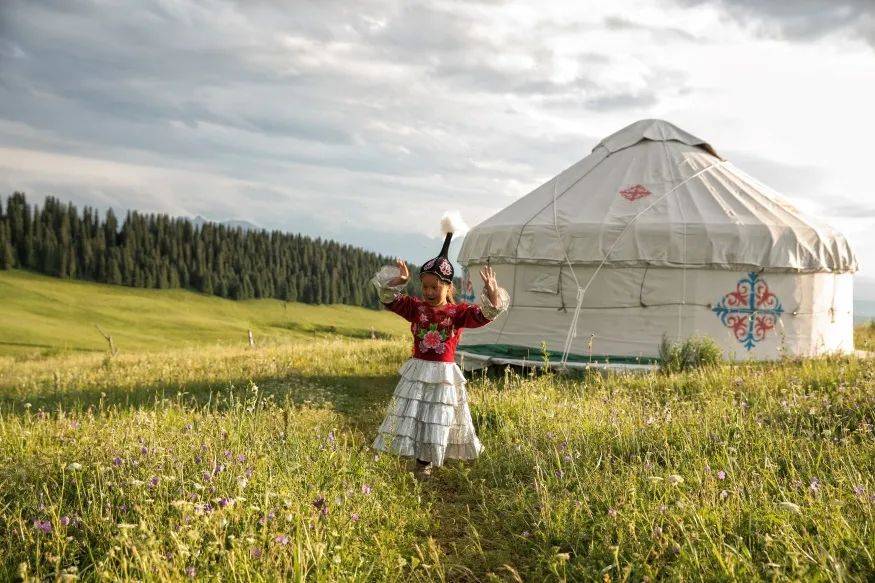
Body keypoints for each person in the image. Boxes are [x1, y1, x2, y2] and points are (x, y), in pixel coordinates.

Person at [371, 213, 509, 479]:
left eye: (435, 287)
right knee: (415, 411)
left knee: (437, 414)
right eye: (425, 287)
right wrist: (397, 282)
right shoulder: (416, 308)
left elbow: (486, 315)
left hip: (444, 374)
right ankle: (414, 454)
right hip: (418, 370)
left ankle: (426, 461)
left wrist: (492, 293)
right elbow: (388, 299)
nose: (429, 292)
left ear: (448, 286)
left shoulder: (458, 313)